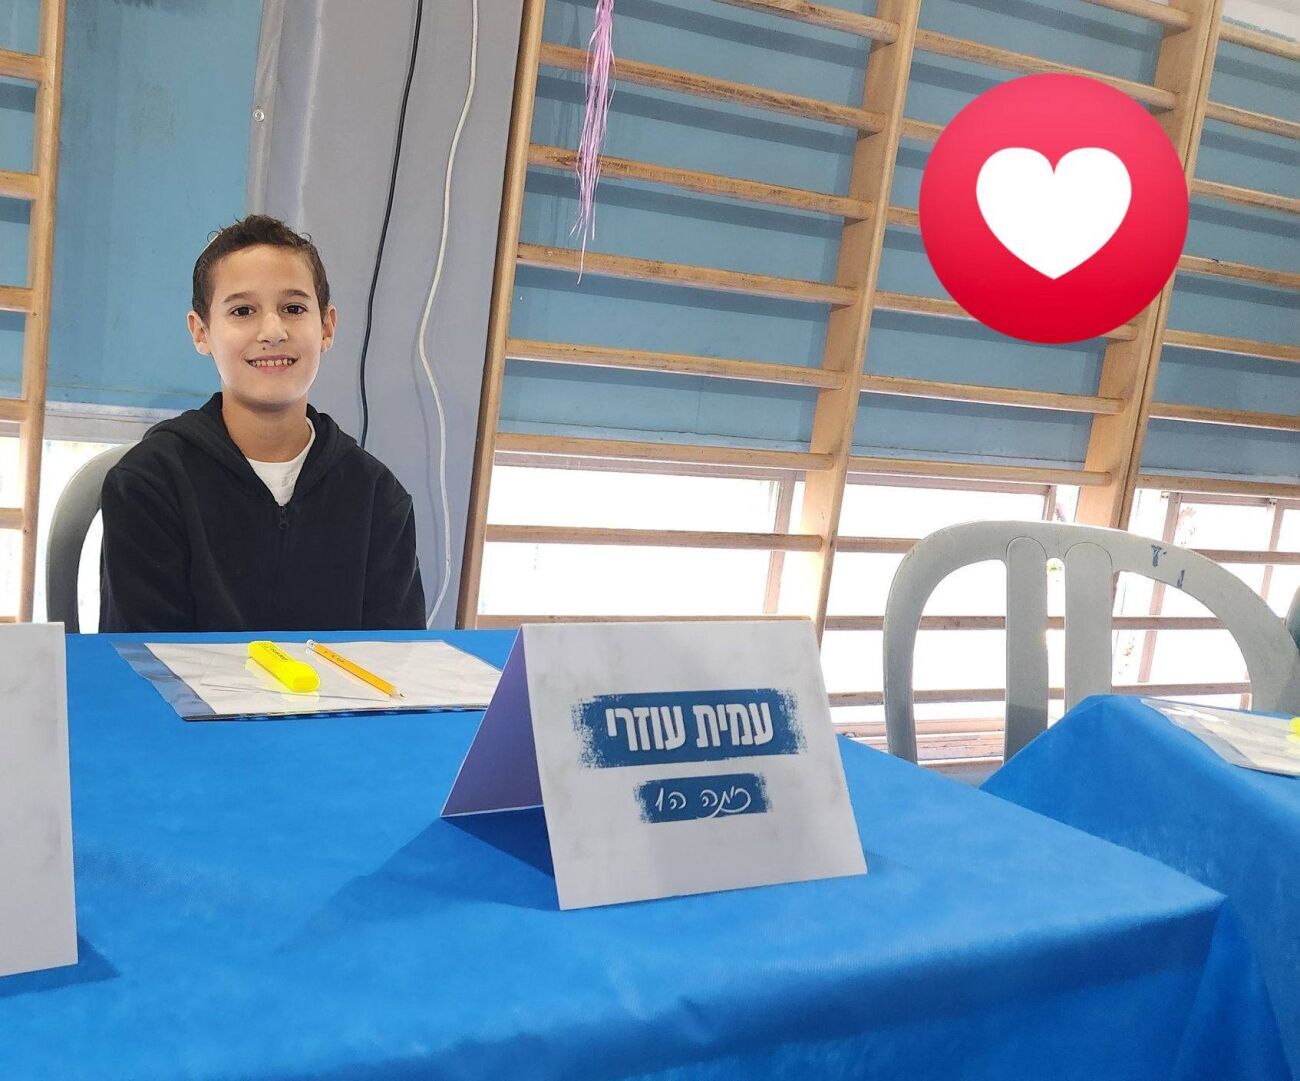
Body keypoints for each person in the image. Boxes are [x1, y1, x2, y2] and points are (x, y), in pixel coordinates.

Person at [99, 215, 426, 631]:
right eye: (243, 310)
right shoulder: (149, 483)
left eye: (293, 309)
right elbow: (141, 658)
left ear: (326, 327)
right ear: (201, 332)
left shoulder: (377, 496)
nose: (272, 331)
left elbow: (396, 659)